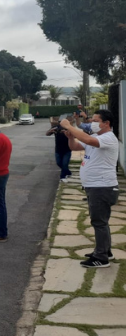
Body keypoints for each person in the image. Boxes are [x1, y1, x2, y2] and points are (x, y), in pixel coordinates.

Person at [60, 110, 119, 268]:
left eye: (95, 120)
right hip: (95, 186)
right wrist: (71, 137)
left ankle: (101, 258)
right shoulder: (97, 138)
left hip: (102, 186)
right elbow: (75, 147)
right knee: (101, 222)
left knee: (99, 222)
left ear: (106, 123)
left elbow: (86, 139)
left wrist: (69, 125)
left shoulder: (108, 138)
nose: (92, 122)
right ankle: (105, 251)